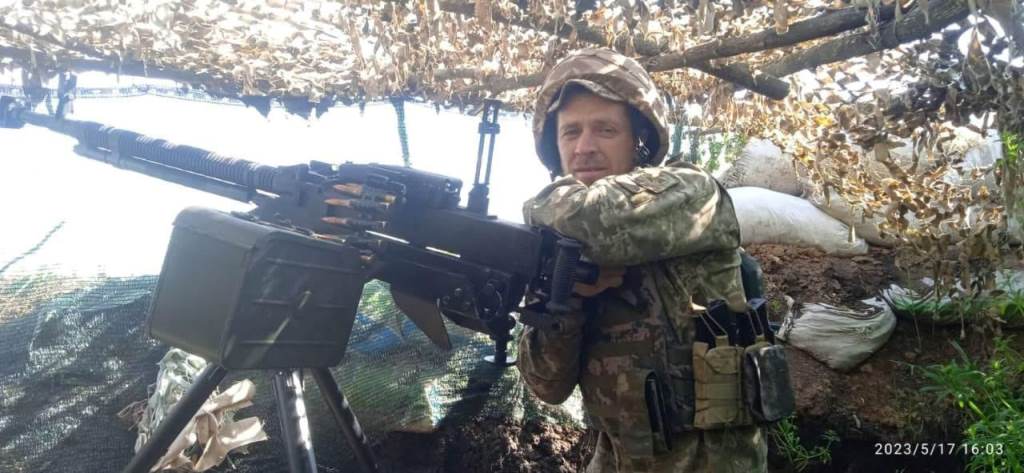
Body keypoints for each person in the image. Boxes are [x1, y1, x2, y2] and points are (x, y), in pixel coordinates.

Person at [517, 48, 768, 472]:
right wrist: (568, 299)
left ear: (640, 141)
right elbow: (547, 385)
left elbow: (591, 221)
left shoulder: (691, 193)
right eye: (570, 132)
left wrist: (538, 210)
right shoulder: (559, 250)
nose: (584, 147)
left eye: (605, 129)